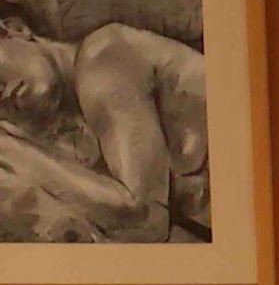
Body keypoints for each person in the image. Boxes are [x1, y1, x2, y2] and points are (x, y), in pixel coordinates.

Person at [0, 18, 209, 243]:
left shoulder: (102, 56)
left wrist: (10, 148)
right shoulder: (79, 132)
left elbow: (145, 217)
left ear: (15, 29)